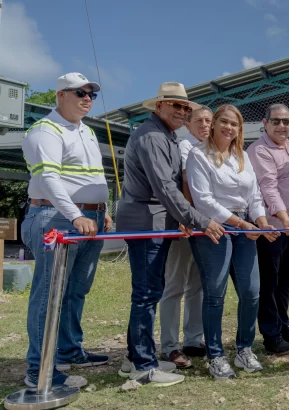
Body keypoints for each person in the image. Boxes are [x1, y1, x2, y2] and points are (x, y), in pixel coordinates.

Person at [116, 82, 225, 387]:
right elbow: (165, 187)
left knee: (148, 292)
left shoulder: (165, 136)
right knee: (147, 294)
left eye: (185, 107)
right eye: (175, 105)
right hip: (145, 225)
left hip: (155, 223)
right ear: (159, 106)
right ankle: (143, 366)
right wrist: (198, 219)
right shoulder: (152, 137)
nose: (181, 111)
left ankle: (134, 358)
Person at [20, 72, 113, 389]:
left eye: (91, 94)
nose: (87, 98)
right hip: (54, 218)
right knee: (49, 295)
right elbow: (49, 179)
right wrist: (76, 216)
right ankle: (38, 370)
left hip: (90, 220)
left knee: (75, 290)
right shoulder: (45, 130)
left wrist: (103, 210)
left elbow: (92, 176)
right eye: (80, 92)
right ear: (60, 95)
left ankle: (69, 351)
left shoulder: (86, 131)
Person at [187, 104, 279, 379]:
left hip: (244, 226)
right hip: (215, 227)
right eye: (224, 122)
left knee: (251, 293)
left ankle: (244, 349)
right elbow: (203, 199)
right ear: (214, 123)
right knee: (215, 294)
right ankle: (215, 355)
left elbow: (255, 196)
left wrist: (261, 223)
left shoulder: (242, 156)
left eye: (235, 124)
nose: (229, 128)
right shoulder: (198, 154)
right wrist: (242, 224)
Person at [247, 103, 289, 355]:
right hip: (272, 229)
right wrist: (283, 218)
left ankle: (284, 327)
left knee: (285, 283)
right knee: (269, 284)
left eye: (286, 121)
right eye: (276, 121)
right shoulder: (260, 150)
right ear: (265, 123)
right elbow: (268, 188)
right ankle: (271, 336)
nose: (282, 126)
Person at [158, 106, 213, 369]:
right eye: (199, 120)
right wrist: (185, 217)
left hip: (207, 226)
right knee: (175, 286)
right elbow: (182, 183)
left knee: (197, 285)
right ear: (188, 125)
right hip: (185, 225)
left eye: (209, 121)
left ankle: (193, 338)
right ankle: (169, 345)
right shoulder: (183, 147)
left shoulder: (213, 149)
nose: (205, 125)